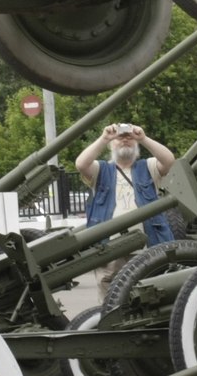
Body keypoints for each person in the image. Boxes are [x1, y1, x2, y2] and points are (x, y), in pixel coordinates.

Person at [74, 121, 177, 300]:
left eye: (129, 138)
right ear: (112, 144)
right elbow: (81, 164)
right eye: (120, 138)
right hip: (109, 247)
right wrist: (104, 138)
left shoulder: (148, 167)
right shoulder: (101, 169)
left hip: (146, 244)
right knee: (110, 293)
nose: (125, 141)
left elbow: (169, 160)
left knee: (148, 289)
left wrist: (143, 138)